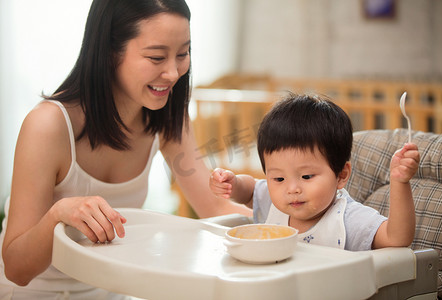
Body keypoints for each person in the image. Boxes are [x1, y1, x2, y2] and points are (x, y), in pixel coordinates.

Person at [0, 0, 250, 298]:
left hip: (112, 288)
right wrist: (59, 214)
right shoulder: (49, 125)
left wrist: (289, 220)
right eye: (157, 57)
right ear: (109, 52)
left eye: (183, 54)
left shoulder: (168, 116)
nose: (173, 73)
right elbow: (16, 268)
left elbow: (215, 207)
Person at [210, 93, 420, 251]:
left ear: (341, 175)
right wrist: (233, 183)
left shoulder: (349, 220)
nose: (292, 188)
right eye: (279, 178)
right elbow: (250, 191)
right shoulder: (275, 202)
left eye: (307, 176)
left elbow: (397, 238)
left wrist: (400, 182)